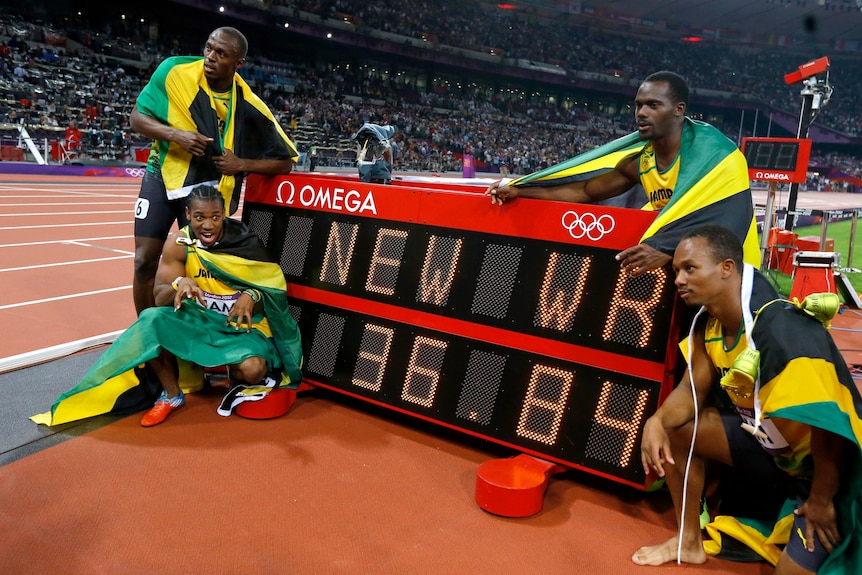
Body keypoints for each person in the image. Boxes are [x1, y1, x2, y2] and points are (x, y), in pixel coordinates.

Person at [633, 224, 861, 573]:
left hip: (827, 471)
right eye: (676, 270)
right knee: (680, 429)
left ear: (727, 268)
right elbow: (690, 390)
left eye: (689, 268)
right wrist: (657, 421)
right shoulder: (706, 325)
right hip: (775, 451)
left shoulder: (782, 329)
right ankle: (688, 542)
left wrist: (821, 499)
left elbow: (829, 428)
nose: (677, 279)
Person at [32, 185, 304, 428]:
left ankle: (232, 374)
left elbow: (273, 286)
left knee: (253, 371)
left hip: (238, 328)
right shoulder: (178, 244)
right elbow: (159, 295)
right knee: (151, 320)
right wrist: (179, 283)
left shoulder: (244, 242)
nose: (207, 225)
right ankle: (172, 395)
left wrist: (252, 294)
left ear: (224, 214)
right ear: (187, 214)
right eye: (199, 217)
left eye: (215, 217)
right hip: (200, 321)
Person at [484, 71, 761, 276]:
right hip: (671, 264)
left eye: (653, 105)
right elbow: (584, 191)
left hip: (725, 269)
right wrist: (520, 189)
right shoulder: (641, 162)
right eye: (639, 105)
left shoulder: (716, 155)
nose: (641, 113)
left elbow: (727, 217)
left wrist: (667, 247)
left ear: (679, 110)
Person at [130, 26, 299, 315]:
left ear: (238, 63)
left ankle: (188, 331)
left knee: (200, 264)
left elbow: (286, 161)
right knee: (144, 260)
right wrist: (175, 135)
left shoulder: (248, 105)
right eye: (208, 48)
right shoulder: (174, 72)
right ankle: (144, 333)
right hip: (161, 174)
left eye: (221, 53)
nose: (210, 56)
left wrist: (241, 164)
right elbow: (137, 118)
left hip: (205, 189)